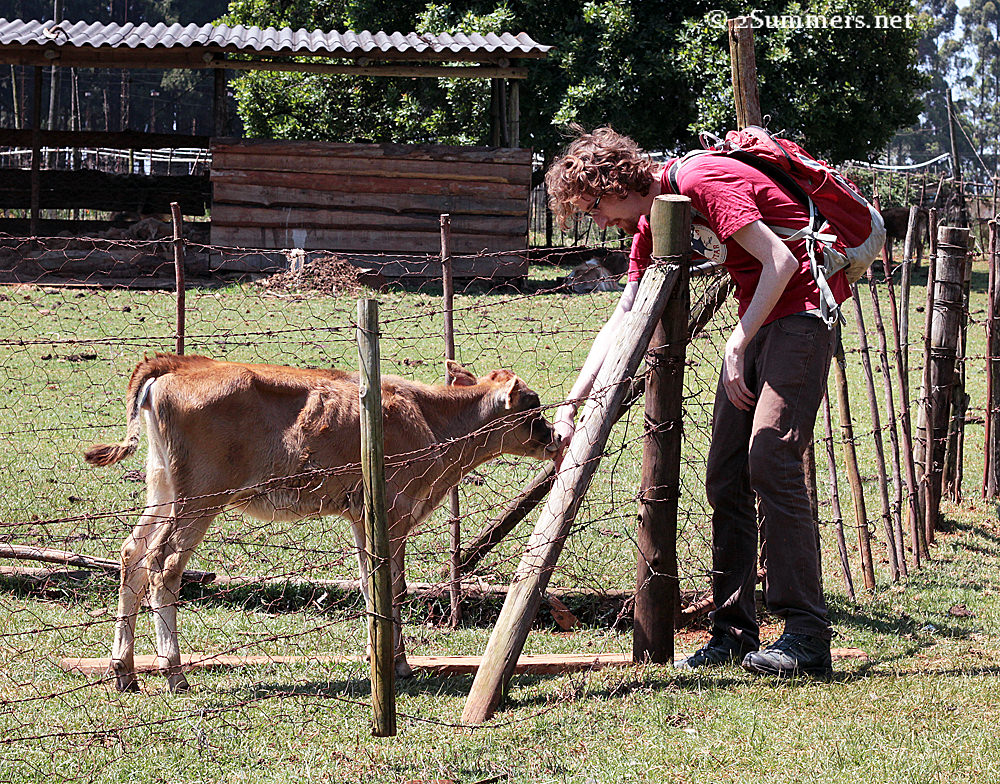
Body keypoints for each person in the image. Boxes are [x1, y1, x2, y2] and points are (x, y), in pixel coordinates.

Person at [545, 125, 852, 678]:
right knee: (726, 476)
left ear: (614, 183)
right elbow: (624, 316)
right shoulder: (657, 220)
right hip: (762, 322)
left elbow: (780, 263)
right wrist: (574, 401)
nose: (600, 222)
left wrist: (737, 342)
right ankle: (732, 632)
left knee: (771, 459)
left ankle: (807, 634)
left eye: (594, 208)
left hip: (802, 317)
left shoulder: (700, 179)